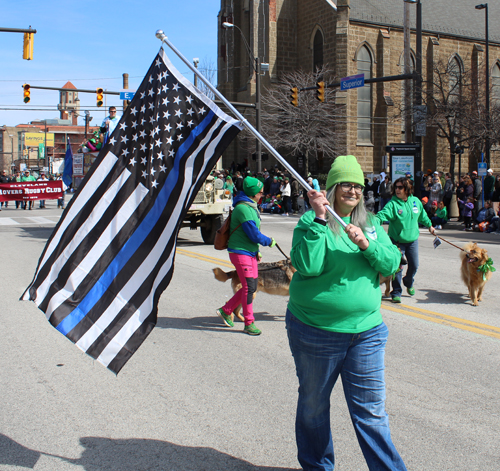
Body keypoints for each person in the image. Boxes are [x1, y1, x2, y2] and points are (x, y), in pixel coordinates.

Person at [286, 155, 406, 471]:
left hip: (365, 332)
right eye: (345, 184)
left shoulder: (372, 224)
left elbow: (391, 264)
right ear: (333, 188)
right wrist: (319, 219)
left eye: (357, 185)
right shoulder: (311, 222)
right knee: (313, 407)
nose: (352, 191)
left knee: (371, 412)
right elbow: (307, 266)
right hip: (315, 330)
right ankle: (317, 466)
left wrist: (367, 244)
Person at [215, 176, 276, 336]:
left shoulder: (251, 206)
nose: (262, 195)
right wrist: (268, 241)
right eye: (260, 192)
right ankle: (249, 323)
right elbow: (253, 234)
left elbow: (251, 234)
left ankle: (226, 310)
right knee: (249, 288)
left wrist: (256, 251)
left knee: (252, 287)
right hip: (239, 252)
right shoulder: (243, 208)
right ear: (253, 193)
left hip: (249, 252)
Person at [376, 177, 437, 303]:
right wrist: (373, 222)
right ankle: (396, 292)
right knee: (397, 268)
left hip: (412, 241)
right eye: (396, 187)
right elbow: (382, 215)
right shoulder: (392, 204)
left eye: (400, 187)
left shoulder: (415, 201)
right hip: (397, 242)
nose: (397, 190)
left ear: (407, 189)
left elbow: (422, 216)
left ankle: (408, 281)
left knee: (414, 265)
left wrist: (430, 226)